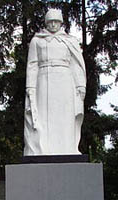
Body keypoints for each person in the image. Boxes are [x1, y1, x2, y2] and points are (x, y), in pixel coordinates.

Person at [24, 9, 86, 155]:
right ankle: (43, 150)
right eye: (50, 21)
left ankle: (67, 149)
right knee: (44, 117)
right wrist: (30, 86)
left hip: (65, 80)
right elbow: (32, 64)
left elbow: (76, 64)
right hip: (43, 79)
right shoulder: (37, 41)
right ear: (46, 23)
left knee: (65, 116)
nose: (53, 25)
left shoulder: (70, 41)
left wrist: (80, 85)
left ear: (61, 23)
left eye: (56, 21)